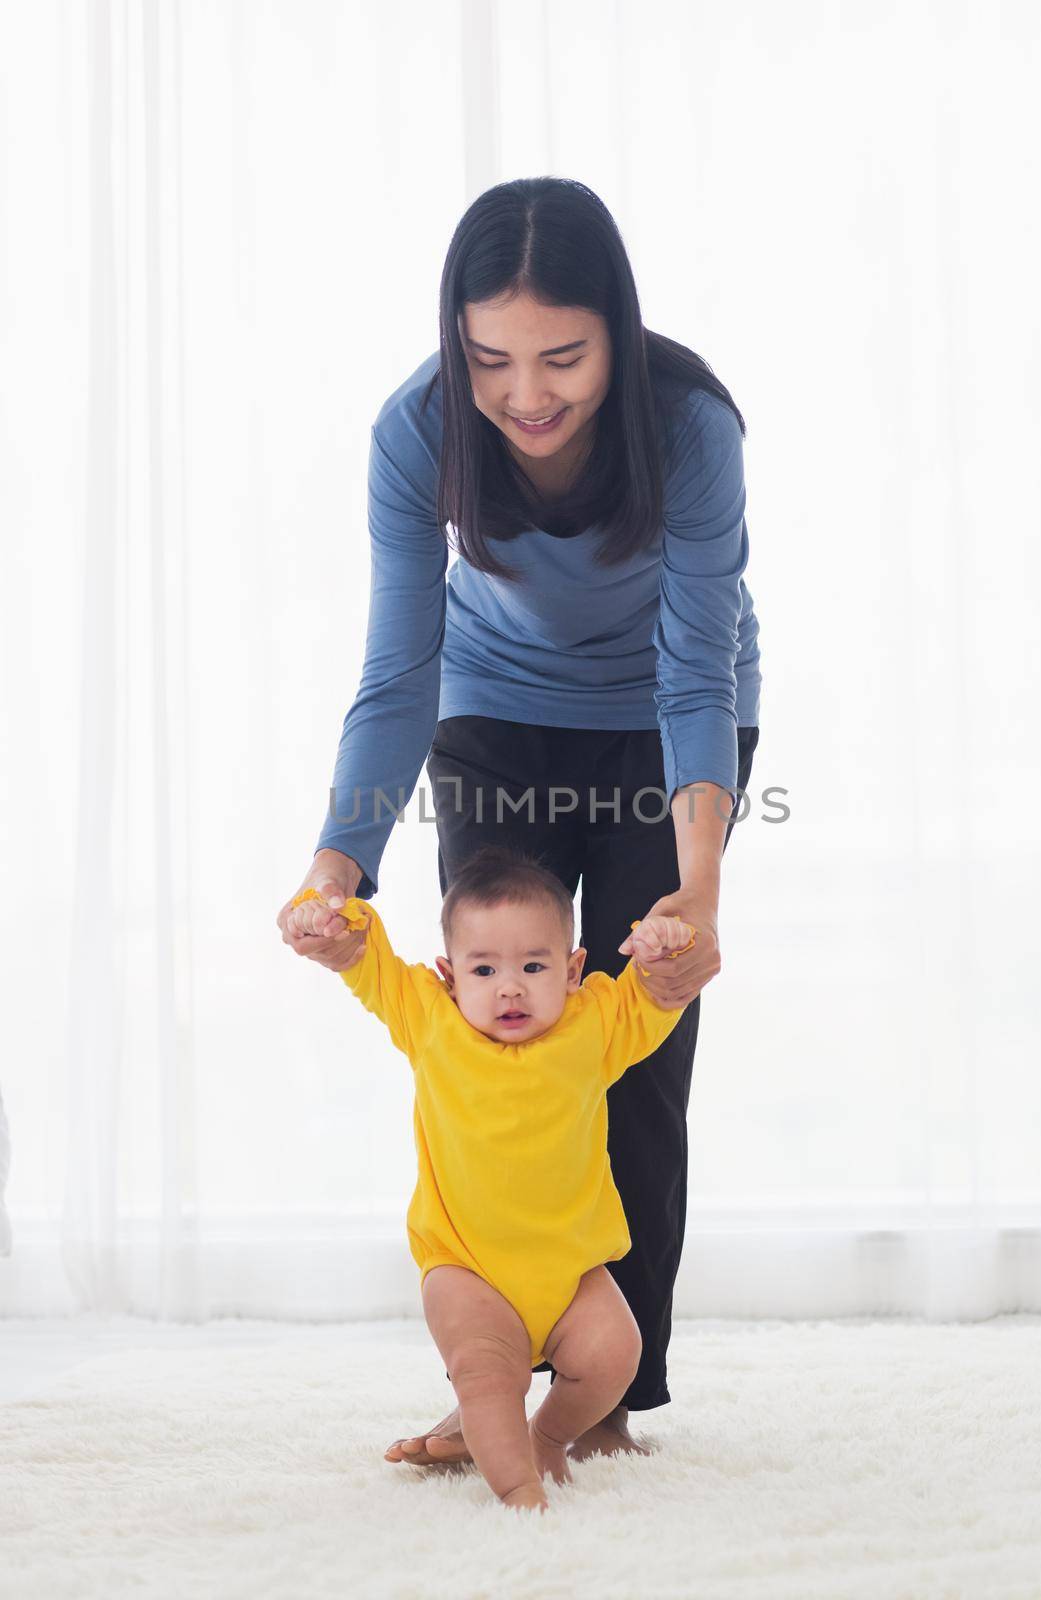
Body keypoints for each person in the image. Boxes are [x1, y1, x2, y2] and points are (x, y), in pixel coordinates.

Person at [276, 174, 762, 1469]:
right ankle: (495, 1365)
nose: (525, 392)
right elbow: (397, 671)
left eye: (562, 356)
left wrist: (695, 896)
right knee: (498, 1036)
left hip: (672, 726)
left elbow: (696, 669)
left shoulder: (690, 425)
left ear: (617, 327)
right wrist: (339, 864)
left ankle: (604, 1399)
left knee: (636, 1043)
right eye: (490, 358)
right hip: (496, 714)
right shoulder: (417, 429)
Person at [287, 844, 698, 1512]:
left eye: (534, 966)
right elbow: (369, 966)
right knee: (484, 1374)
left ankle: (549, 1437)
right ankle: (519, 1496)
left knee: (616, 1352)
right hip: (467, 1267)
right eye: (485, 968)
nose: (510, 985)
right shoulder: (430, 1018)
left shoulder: (594, 1023)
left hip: (571, 1272)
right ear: (450, 975)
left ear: (571, 971)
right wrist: (336, 919)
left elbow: (655, 994)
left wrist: (666, 946)